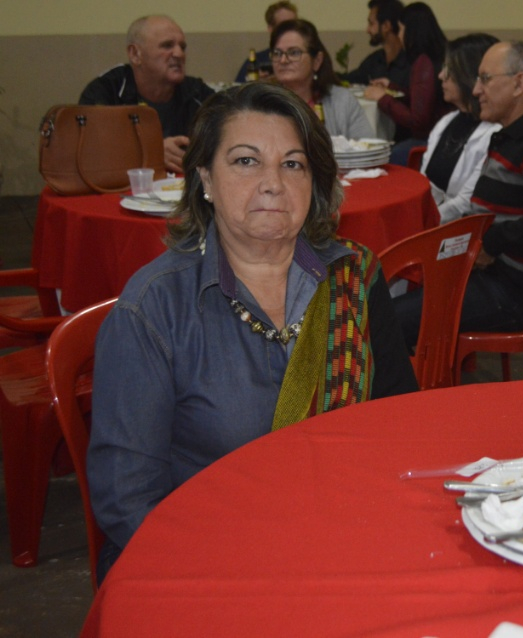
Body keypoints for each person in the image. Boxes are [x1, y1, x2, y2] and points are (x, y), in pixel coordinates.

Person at [88, 82, 418, 584]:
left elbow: (397, 426)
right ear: (204, 179)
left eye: (293, 164)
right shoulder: (155, 310)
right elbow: (127, 499)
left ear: (315, 182)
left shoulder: (353, 278)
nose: (273, 183)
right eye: (245, 161)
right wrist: (244, 575)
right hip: (202, 562)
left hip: (341, 544)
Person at [393, 41, 523, 346]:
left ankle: (410, 390)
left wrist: (493, 242)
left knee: (385, 321)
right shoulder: (514, 135)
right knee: (382, 296)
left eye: (485, 79)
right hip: (487, 276)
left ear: (519, 83)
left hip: (511, 292)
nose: (475, 90)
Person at [79, 15, 215, 174]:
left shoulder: (196, 92)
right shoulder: (106, 91)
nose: (179, 54)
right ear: (135, 54)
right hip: (120, 188)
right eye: (167, 45)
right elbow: (89, 150)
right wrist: (152, 152)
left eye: (182, 47)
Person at [419, 33, 500, 222]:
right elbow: (424, 185)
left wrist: (421, 224)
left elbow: (466, 203)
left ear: (468, 74)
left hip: (460, 233)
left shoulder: (494, 133)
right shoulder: (447, 122)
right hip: (433, 222)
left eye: (448, 69)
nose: (440, 76)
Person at [365, 2, 449, 165]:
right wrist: (392, 87)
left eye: (402, 29)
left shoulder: (423, 62)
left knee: (383, 156)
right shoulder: (440, 54)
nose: (400, 35)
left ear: (412, 31)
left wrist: (383, 98)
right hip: (444, 136)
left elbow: (418, 121)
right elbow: (427, 98)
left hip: (428, 141)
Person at [270, 19, 374, 139]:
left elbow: (367, 146)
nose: (283, 60)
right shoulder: (263, 103)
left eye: (294, 53)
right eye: (277, 53)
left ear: (317, 61)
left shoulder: (342, 101)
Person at [341, 0, 410, 87]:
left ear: (386, 26)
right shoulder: (375, 60)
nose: (367, 30)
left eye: (371, 23)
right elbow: (351, 78)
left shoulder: (411, 64)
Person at [233, 1, 299, 83]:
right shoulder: (256, 62)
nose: (290, 31)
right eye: (283, 26)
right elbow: (237, 92)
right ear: (270, 29)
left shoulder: (303, 59)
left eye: (294, 25)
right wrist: (257, 86)